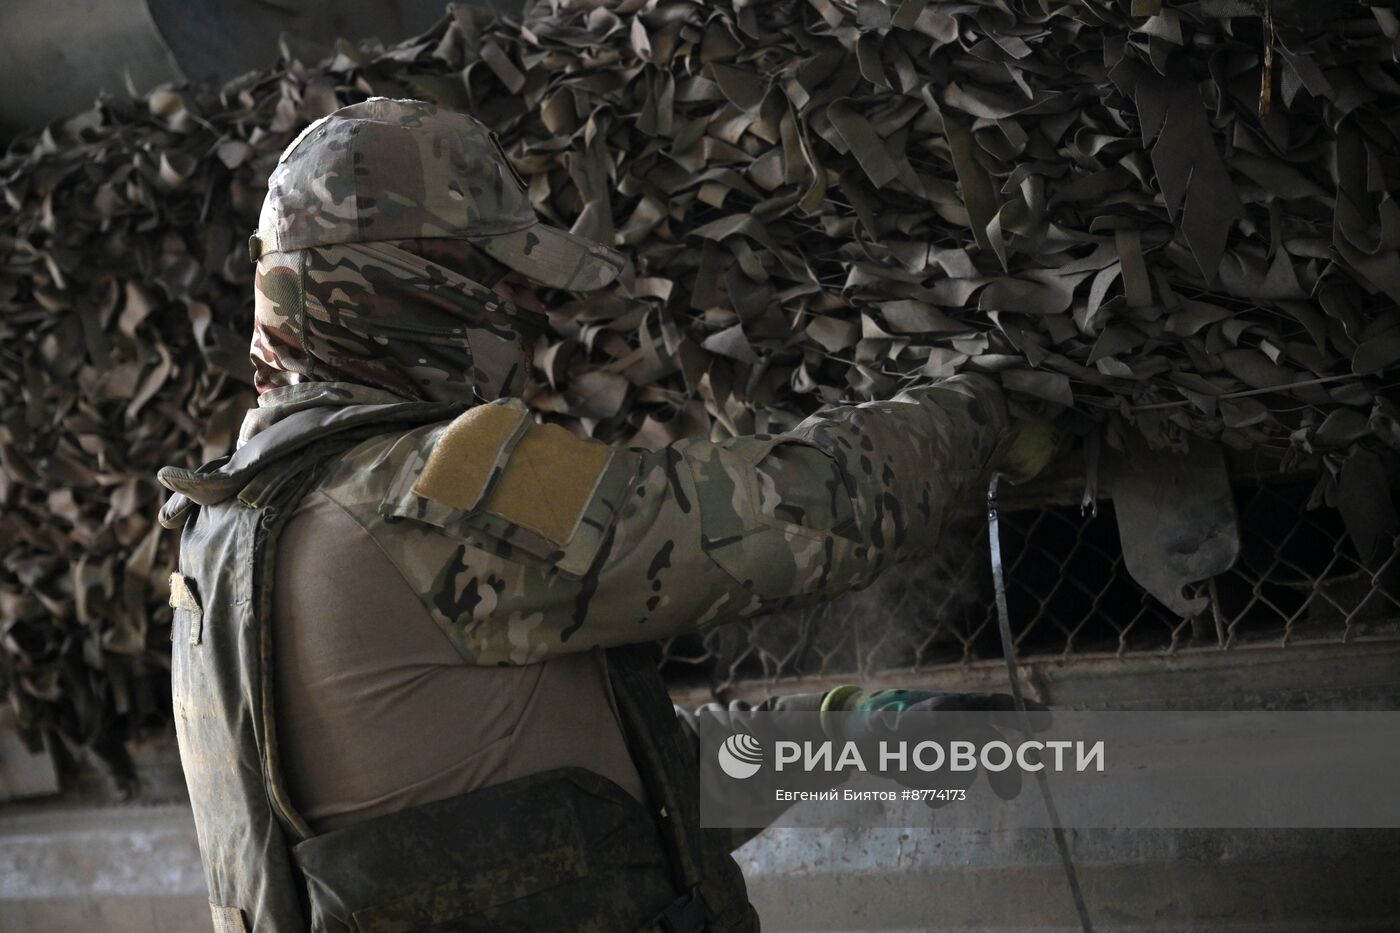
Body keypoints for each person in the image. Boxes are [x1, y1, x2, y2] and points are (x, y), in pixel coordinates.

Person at [158, 98, 1056, 933]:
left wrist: (835, 735)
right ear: (408, 288)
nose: (521, 317)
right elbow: (796, 515)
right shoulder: (421, 497)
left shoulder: (226, 537)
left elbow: (583, 823)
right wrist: (987, 407)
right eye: (495, 280)